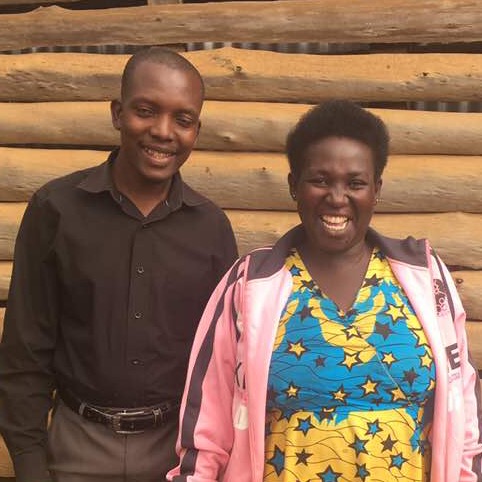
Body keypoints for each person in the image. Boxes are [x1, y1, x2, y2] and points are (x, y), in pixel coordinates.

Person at [168, 100, 482, 482]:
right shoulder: (250, 285)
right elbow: (205, 431)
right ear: (293, 186)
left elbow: (464, 413)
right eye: (320, 180)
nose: (337, 197)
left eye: (355, 183)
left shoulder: (425, 277)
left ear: (376, 190)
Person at [0, 46, 238, 482]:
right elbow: (25, 352)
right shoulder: (56, 211)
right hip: (77, 448)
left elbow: (223, 361)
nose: (163, 131)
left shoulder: (211, 229)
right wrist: (31, 463)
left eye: (182, 119)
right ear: (117, 113)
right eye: (146, 111)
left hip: (176, 450)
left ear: (196, 130)